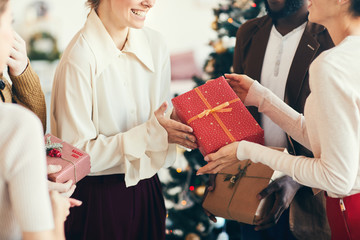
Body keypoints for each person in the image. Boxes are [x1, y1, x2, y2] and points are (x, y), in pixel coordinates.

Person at [198, 0, 360, 239]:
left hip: (348, 211)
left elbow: (336, 178)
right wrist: (263, 98)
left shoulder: (330, 65)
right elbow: (325, 137)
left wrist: (245, 150)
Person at [50, 0, 197, 239]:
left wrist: (178, 126)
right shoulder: (78, 58)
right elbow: (76, 155)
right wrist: (153, 134)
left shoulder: (156, 45)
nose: (150, 3)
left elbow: (160, 119)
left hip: (148, 190)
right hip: (96, 199)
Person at [231, 0, 333, 239]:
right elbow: (236, 109)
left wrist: (297, 176)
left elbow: (336, 127)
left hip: (310, 197)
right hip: (253, 188)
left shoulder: (331, 34)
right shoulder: (248, 32)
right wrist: (225, 166)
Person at [0, 0, 81, 239]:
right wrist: (53, 212)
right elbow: (27, 128)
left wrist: (23, 71)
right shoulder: (17, 125)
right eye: (10, 22)